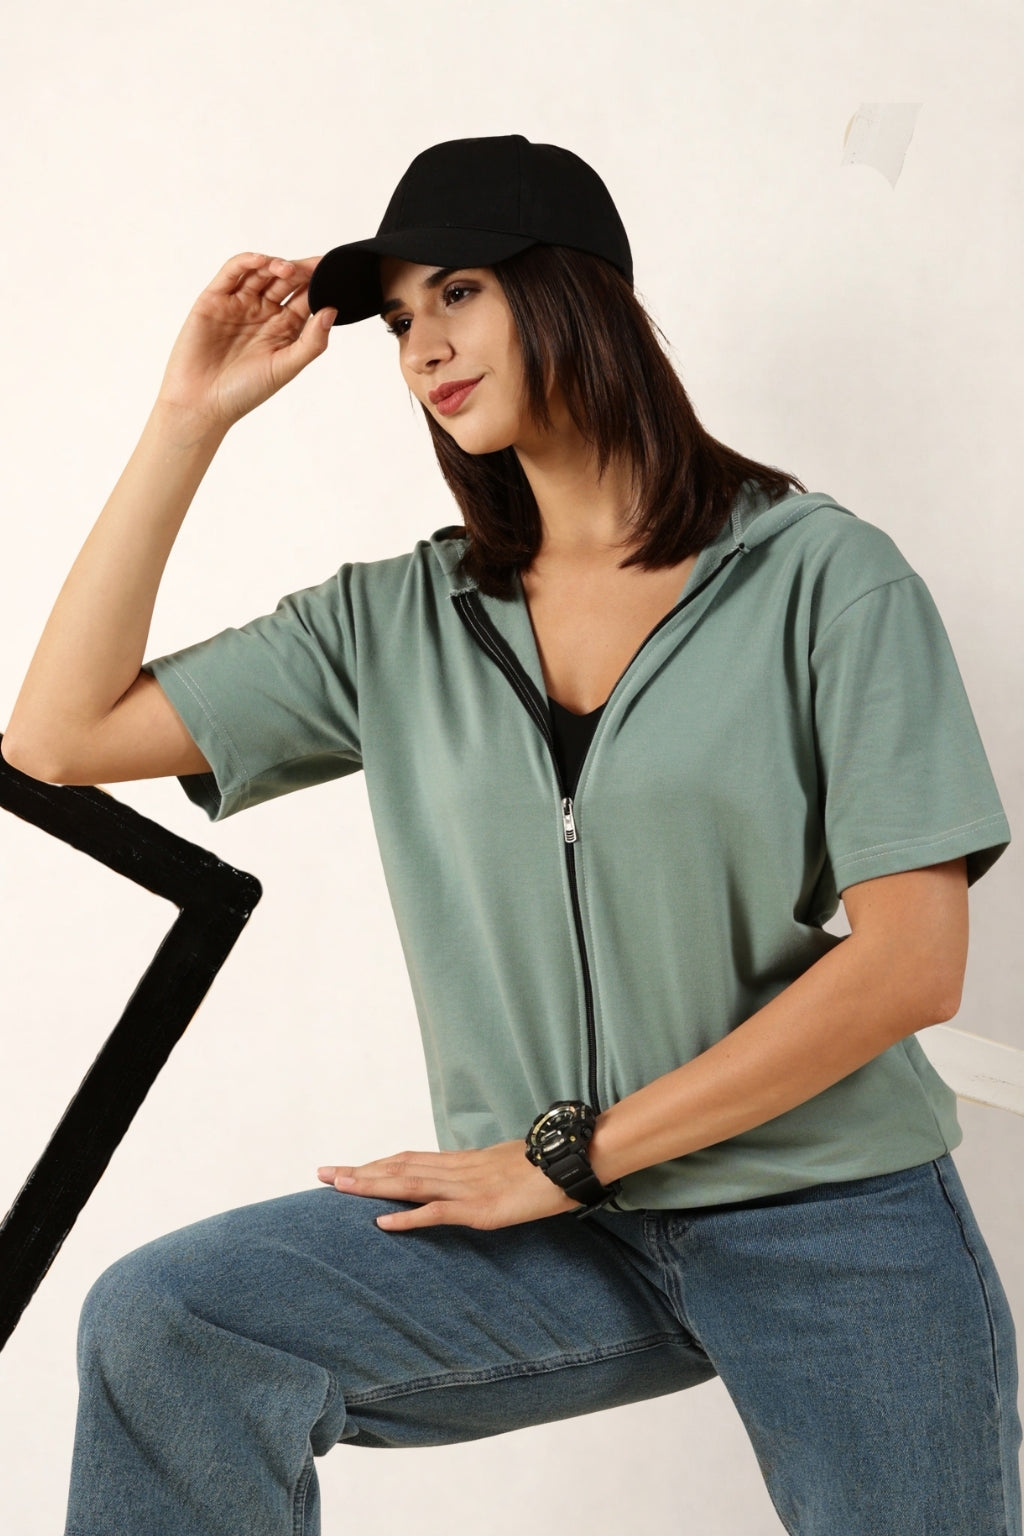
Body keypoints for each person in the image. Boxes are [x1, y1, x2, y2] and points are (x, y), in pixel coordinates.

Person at [2, 134, 1020, 1536]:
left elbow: (913, 964)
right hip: (555, 1228)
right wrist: (190, 421)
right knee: (173, 1322)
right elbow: (57, 739)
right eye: (399, 319)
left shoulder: (821, 577)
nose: (423, 345)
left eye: (460, 292)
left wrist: (573, 1154)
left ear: (577, 293)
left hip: (824, 1209)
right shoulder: (397, 622)